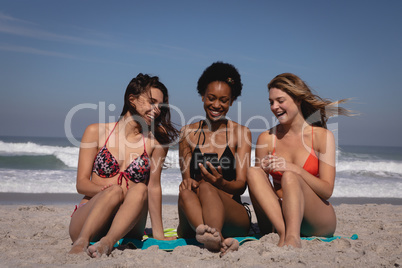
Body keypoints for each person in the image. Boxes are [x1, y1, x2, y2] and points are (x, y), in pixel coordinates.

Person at [68, 73, 179, 257]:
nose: (157, 110)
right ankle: (81, 241)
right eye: (152, 102)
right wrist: (113, 190)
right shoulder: (96, 132)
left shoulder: (155, 143)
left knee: (141, 189)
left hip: (129, 224)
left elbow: (153, 187)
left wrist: (158, 234)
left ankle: (107, 242)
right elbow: (81, 184)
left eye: (160, 106)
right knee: (114, 191)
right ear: (132, 99)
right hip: (89, 218)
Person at [247, 73, 351, 248]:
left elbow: (327, 190)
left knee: (290, 176)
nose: (274, 107)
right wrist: (264, 171)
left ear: (298, 99)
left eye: (280, 100)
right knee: (252, 171)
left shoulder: (322, 137)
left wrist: (294, 169)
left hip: (315, 219)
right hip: (277, 218)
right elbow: (261, 189)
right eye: (271, 102)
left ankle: (293, 238)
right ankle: (283, 233)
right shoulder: (266, 138)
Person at [177, 62, 252, 256]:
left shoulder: (241, 133)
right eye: (211, 98)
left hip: (232, 213)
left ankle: (213, 235)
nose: (217, 105)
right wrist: (190, 183)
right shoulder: (187, 133)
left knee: (207, 186)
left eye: (224, 100)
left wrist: (221, 182)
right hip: (196, 214)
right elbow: (186, 181)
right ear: (202, 96)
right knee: (187, 193)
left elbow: (241, 185)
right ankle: (213, 236)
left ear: (231, 101)